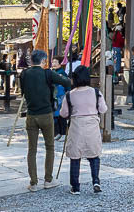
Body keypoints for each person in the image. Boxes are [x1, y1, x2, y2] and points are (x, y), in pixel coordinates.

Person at [20, 49, 71, 192]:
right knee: (50, 146)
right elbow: (66, 82)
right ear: (43, 61)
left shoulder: (24, 74)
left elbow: (23, 92)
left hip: (31, 114)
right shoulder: (48, 73)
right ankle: (48, 179)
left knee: (32, 149)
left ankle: (33, 182)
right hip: (46, 113)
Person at [59, 66, 107, 195]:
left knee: (75, 156)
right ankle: (96, 181)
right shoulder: (96, 92)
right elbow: (103, 109)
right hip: (92, 126)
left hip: (76, 127)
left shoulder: (70, 95)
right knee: (94, 155)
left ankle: (75, 187)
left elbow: (63, 113)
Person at [51, 57, 68, 139]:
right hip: (55, 96)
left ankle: (63, 133)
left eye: (55, 62)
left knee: (61, 114)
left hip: (60, 96)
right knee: (56, 115)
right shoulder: (53, 72)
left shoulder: (62, 73)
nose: (53, 64)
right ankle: (58, 132)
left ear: (60, 63)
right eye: (53, 62)